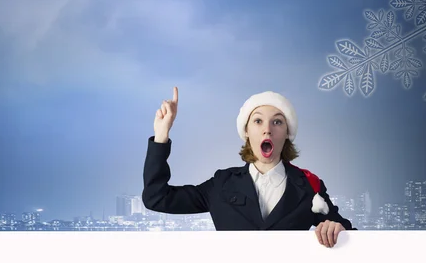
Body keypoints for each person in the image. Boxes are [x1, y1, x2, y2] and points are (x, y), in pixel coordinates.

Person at [142, 87, 356, 248]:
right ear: (246, 132)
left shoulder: (309, 187)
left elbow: (351, 235)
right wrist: (161, 135)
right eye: (258, 121)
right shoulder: (221, 185)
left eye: (277, 122)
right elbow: (156, 198)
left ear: (287, 133)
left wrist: (338, 230)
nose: (267, 130)